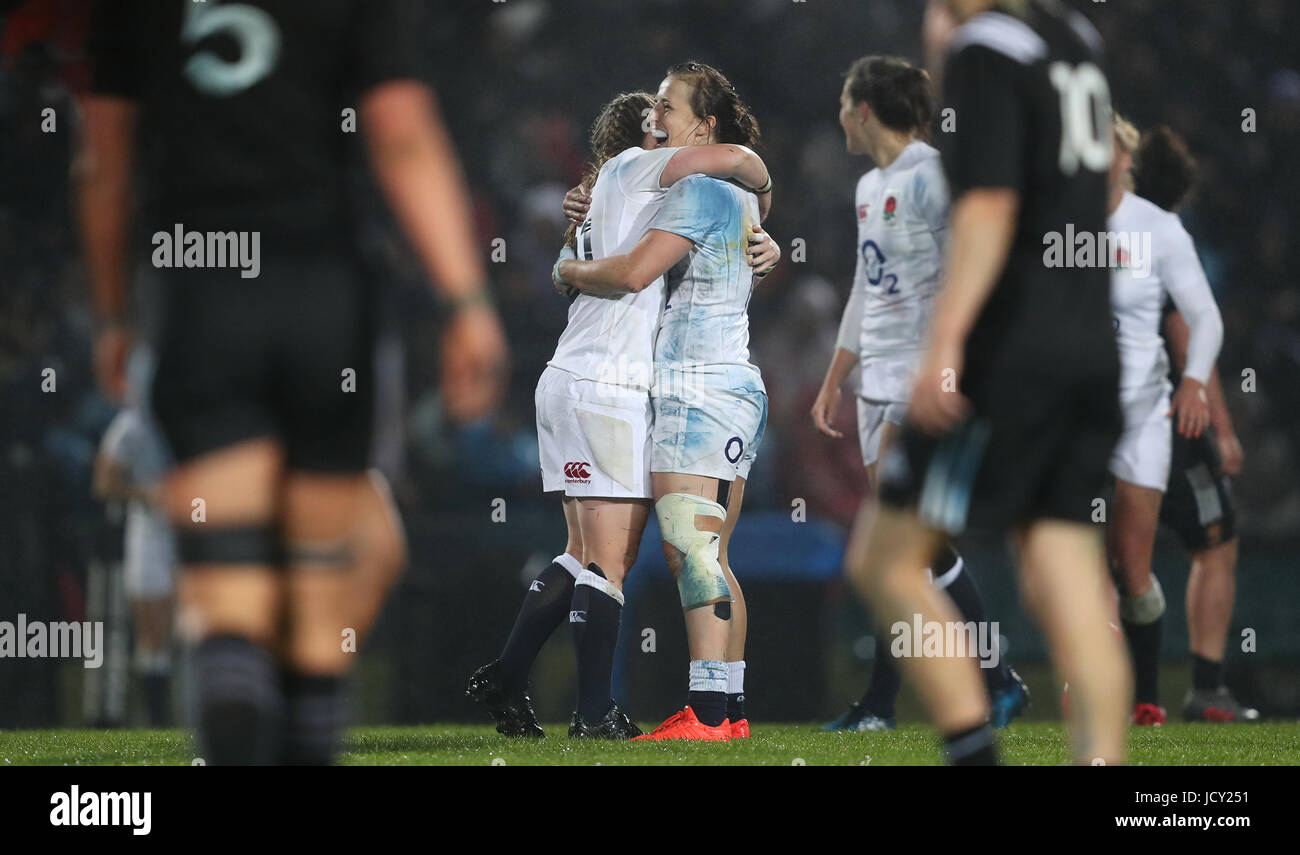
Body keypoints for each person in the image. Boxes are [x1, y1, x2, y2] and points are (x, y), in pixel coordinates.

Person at [80, 0, 507, 764]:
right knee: (316, 630)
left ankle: (234, 714)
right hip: (323, 296)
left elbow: (104, 162)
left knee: (229, 612)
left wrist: (112, 313)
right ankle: (304, 706)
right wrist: (466, 300)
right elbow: (402, 133)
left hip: (198, 297)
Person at [849, 0, 1131, 765]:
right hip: (1087, 342)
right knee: (1064, 573)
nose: (931, 26)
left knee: (884, 558)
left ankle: (974, 752)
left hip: (1011, 352)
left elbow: (990, 207)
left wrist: (944, 343)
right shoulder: (1077, 37)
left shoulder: (983, 48)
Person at [469, 90, 778, 739]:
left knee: (585, 551)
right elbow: (734, 163)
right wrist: (760, 184)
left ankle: (508, 673)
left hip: (567, 380)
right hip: (610, 385)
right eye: (660, 118)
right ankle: (594, 712)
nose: (668, 129)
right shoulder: (641, 171)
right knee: (620, 559)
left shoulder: (602, 192)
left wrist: (761, 233)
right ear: (646, 138)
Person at [555, 61, 778, 741]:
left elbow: (628, 273)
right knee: (708, 551)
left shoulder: (703, 192)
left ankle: (707, 714)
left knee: (690, 543)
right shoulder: (726, 196)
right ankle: (727, 707)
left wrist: (567, 266)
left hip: (697, 384)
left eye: (668, 106)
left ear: (703, 127)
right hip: (729, 381)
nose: (655, 114)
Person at [811, 55, 1028, 733]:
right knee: (910, 553)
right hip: (876, 380)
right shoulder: (870, 187)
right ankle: (992, 679)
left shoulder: (933, 176)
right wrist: (833, 377)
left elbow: (979, 264)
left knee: (899, 550)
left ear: (865, 109)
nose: (840, 114)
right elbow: (864, 286)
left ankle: (893, 700)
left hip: (922, 380)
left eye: (845, 102)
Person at [1134, 126, 1257, 723]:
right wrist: (1224, 431)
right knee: (1215, 545)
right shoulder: (1162, 235)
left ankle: (1132, 695)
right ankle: (1206, 688)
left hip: (1095, 423)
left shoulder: (1088, 230)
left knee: (1118, 563)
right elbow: (1186, 334)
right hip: (1166, 424)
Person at [1105, 117, 1223, 726]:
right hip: (1076, 414)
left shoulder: (1157, 229)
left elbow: (1205, 318)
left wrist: (1196, 382)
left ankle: (1146, 693)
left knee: (1132, 565)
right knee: (1078, 554)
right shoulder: (1050, 222)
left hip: (1144, 414)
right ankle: (1094, 685)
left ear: (1125, 155)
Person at [93, 345, 176, 727]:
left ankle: (189, 719)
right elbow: (104, 482)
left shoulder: (191, 419)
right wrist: (146, 494)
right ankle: (157, 721)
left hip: (193, 529)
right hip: (151, 530)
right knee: (153, 630)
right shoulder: (132, 426)